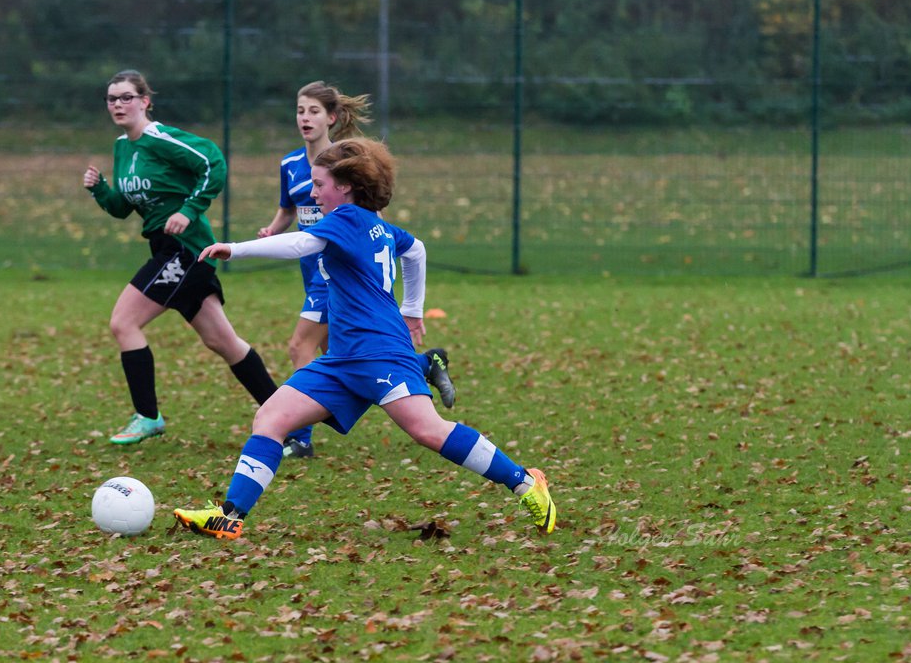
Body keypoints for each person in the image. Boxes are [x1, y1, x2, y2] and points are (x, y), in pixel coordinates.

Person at [173, 138, 556, 540]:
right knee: (271, 418)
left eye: (319, 184)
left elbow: (301, 243)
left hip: (380, 352)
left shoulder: (347, 219)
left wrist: (234, 249)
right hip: (342, 360)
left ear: (346, 186)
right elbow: (417, 250)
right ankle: (229, 516)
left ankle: (526, 482)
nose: (312, 192)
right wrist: (412, 308)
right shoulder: (376, 224)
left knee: (429, 431)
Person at [259, 81, 456, 461]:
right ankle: (422, 363)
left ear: (331, 118)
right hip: (315, 268)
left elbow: (370, 222)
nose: (305, 118)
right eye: (300, 110)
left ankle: (299, 436)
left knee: (300, 345)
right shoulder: (289, 164)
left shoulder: (344, 161)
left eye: (313, 111)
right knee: (339, 352)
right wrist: (272, 230)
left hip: (332, 273)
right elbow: (289, 210)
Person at [82, 69, 281, 445]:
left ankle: (147, 416)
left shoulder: (161, 139)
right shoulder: (123, 147)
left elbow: (213, 164)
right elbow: (123, 208)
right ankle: (286, 420)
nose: (118, 104)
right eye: (112, 99)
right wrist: (101, 189)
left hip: (187, 250)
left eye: (126, 97)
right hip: (168, 249)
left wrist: (189, 210)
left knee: (123, 323)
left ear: (145, 101)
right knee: (225, 343)